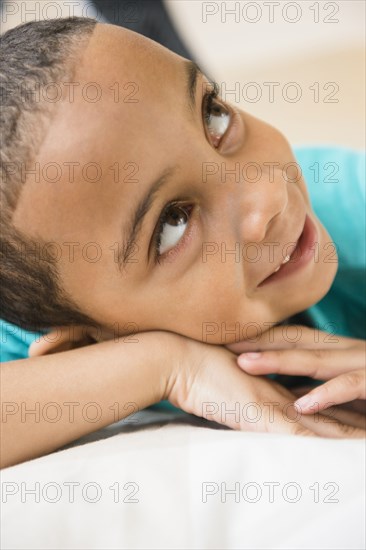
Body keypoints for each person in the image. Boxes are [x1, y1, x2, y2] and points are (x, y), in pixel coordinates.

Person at [1, 18, 365, 469]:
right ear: (92, 347)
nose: (269, 194)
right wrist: (166, 366)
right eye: (173, 222)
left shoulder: (352, 202)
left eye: (213, 115)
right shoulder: (51, 319)